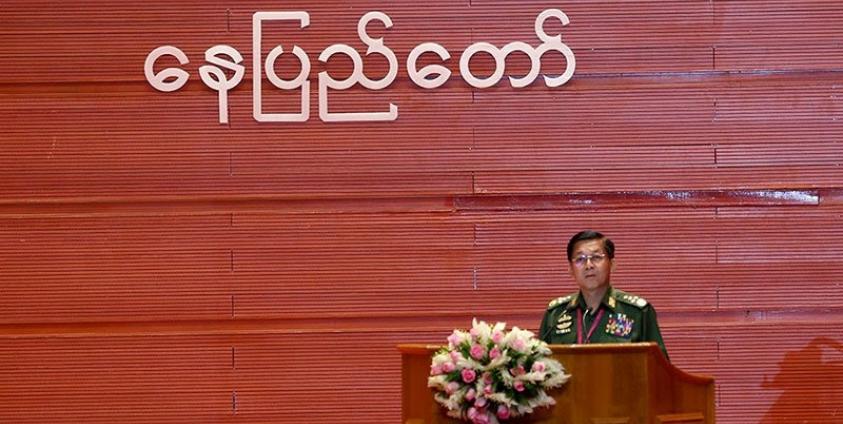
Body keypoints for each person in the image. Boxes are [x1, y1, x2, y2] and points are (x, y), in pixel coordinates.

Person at [539, 230, 669, 359]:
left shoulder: (637, 312)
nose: (589, 265)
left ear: (612, 264)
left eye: (596, 257)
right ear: (570, 269)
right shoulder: (556, 314)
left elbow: (659, 366)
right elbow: (539, 365)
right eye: (580, 259)